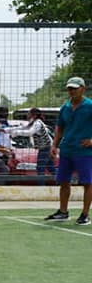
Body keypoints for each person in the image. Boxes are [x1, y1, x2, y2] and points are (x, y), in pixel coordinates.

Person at [45, 76, 92, 225]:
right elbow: (60, 128)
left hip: (85, 151)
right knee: (64, 181)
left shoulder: (90, 106)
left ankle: (85, 214)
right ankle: (63, 212)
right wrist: (54, 145)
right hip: (66, 150)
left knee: (87, 183)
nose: (72, 91)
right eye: (70, 88)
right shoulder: (65, 107)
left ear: (83, 89)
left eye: (75, 88)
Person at [7, 107, 54, 180]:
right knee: (50, 167)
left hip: (45, 147)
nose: (27, 115)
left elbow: (30, 132)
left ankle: (41, 185)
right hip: (45, 147)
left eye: (29, 113)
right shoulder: (33, 122)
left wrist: (16, 133)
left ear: (34, 115)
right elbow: (22, 127)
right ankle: (63, 180)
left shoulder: (37, 123)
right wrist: (6, 130)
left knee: (40, 168)